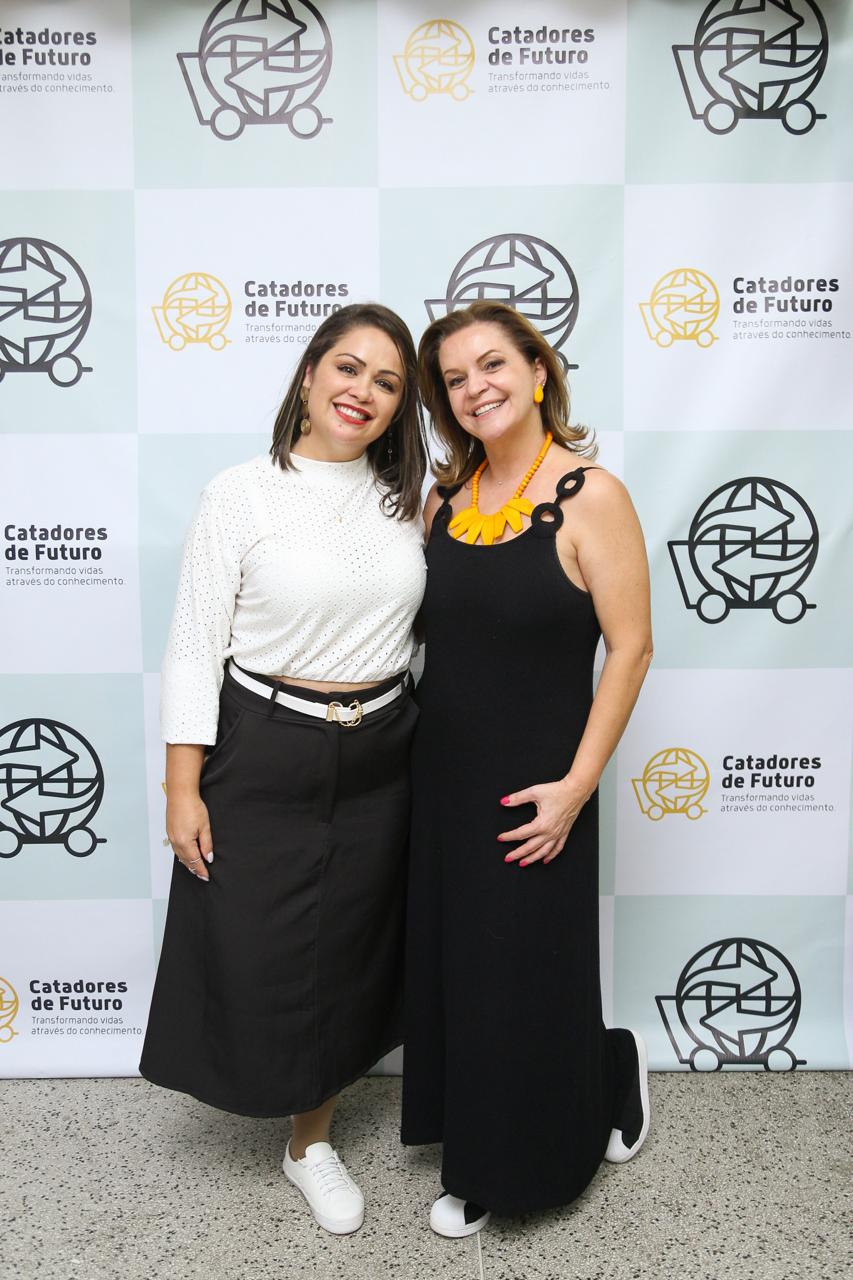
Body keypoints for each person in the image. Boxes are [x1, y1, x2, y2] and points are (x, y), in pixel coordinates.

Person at [140, 303, 428, 1237]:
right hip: (264, 743)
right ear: (308, 375)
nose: (363, 393)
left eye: (387, 383)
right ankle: (266, 1092)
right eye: (348, 369)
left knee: (350, 944)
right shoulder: (241, 492)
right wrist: (182, 783)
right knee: (258, 935)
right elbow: (194, 643)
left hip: (387, 745)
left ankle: (310, 1141)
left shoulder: (413, 502)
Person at [401, 301, 653, 1236]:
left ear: (538, 370)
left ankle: (522, 1160)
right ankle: (542, 1095)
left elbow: (629, 651)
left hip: (540, 783)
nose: (477, 387)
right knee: (462, 966)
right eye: (455, 379)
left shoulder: (593, 497)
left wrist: (575, 789)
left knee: (521, 972)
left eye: (492, 365)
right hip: (442, 778)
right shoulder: (443, 500)